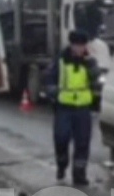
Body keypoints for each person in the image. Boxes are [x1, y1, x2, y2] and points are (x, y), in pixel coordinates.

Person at [43, 29, 102, 186]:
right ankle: (62, 165)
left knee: (82, 142)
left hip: (83, 108)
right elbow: (49, 76)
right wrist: (52, 90)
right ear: (71, 45)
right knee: (61, 139)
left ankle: (79, 174)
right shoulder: (61, 60)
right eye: (77, 45)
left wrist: (90, 66)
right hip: (64, 107)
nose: (79, 49)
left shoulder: (90, 61)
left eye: (82, 45)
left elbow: (97, 77)